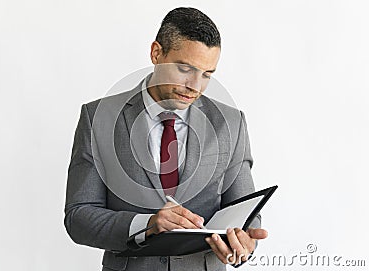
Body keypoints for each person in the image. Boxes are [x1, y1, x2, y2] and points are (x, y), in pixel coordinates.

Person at [64, 7, 268, 271]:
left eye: (207, 74)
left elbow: (244, 211)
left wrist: (244, 241)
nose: (195, 86)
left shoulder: (230, 123)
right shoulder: (98, 118)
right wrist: (146, 225)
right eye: (185, 69)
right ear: (156, 53)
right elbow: (78, 217)